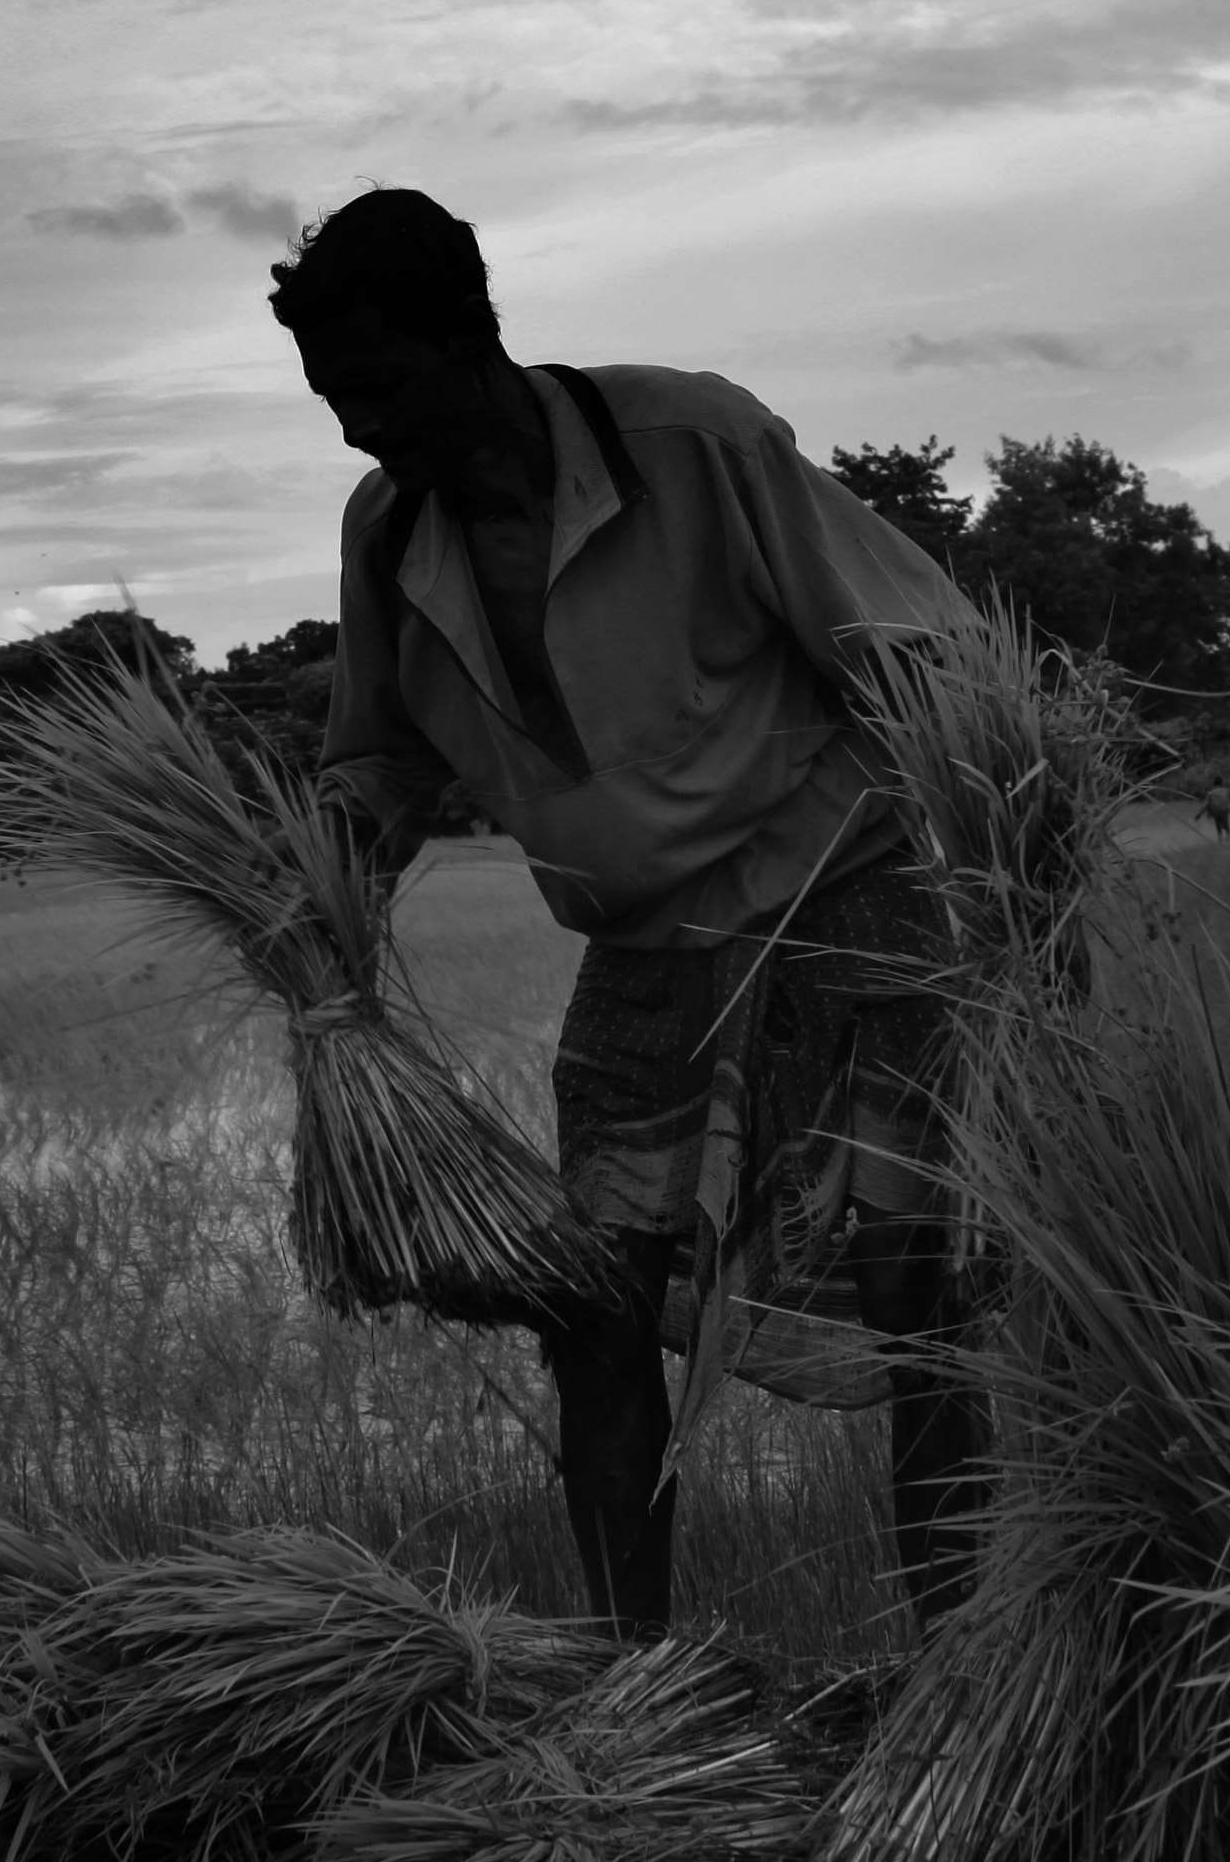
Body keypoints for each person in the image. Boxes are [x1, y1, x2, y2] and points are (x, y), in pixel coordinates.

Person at [275, 187, 985, 1638]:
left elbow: (924, 654)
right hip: (649, 947)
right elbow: (377, 760)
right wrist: (312, 902)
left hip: (856, 904)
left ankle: (966, 1672)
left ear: (472, 339)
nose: (358, 425)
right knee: (591, 1307)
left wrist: (1009, 884)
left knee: (922, 1294)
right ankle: (630, 1678)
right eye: (333, 398)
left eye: (381, 386)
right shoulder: (386, 531)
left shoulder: (689, 443)